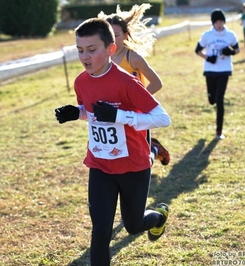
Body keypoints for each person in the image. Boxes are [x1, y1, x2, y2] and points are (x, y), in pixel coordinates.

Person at [54, 18, 171, 265]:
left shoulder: (127, 83)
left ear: (110, 49)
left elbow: (162, 118)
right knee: (100, 233)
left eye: (92, 50)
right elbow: (90, 109)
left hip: (132, 166)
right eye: (80, 50)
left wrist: (120, 116)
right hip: (100, 165)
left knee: (133, 225)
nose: (84, 57)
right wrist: (76, 112)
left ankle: (158, 217)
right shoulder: (81, 81)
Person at [98, 3, 170, 166]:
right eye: (107, 35)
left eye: (115, 35)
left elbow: (156, 83)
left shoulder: (133, 58)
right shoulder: (101, 59)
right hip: (113, 114)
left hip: (135, 114)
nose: (111, 39)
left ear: (125, 35)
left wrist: (136, 101)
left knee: (142, 160)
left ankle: (154, 150)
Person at [195, 9, 240, 140]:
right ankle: (211, 97)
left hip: (224, 70)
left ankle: (219, 131)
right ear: (213, 22)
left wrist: (230, 52)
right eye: (217, 22)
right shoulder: (207, 35)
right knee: (212, 100)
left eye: (221, 21)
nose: (219, 24)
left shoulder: (230, 35)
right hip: (210, 70)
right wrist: (208, 58)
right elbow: (197, 50)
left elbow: (237, 49)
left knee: (220, 100)